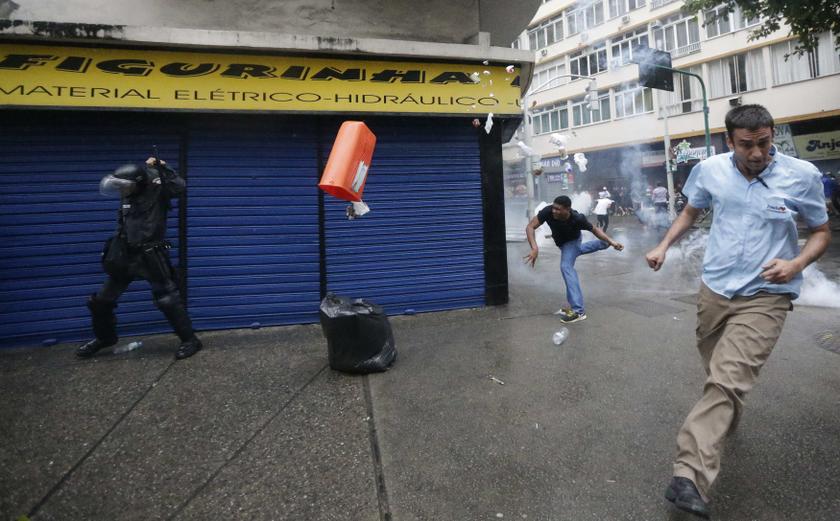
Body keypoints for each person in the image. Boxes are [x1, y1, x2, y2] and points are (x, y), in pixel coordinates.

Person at [645, 104, 830, 519]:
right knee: (719, 375)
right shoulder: (709, 170)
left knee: (727, 379)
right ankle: (724, 419)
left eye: (764, 143)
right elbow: (692, 211)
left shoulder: (801, 175)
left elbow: (820, 231)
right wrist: (663, 245)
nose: (757, 153)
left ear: (772, 136)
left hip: (768, 294)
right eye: (746, 145)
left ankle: (689, 475)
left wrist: (796, 264)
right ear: (729, 141)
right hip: (714, 289)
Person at [76, 157, 203, 360]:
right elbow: (123, 223)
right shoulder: (127, 195)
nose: (121, 190)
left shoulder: (158, 191)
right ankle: (105, 338)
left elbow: (179, 187)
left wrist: (163, 167)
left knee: (168, 300)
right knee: (101, 302)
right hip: (126, 255)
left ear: (139, 182)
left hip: (152, 253)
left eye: (125, 185)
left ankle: (190, 340)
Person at [524, 195, 624, 323]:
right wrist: (534, 248)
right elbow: (530, 227)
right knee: (577, 251)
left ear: (567, 209)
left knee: (566, 267)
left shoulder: (577, 218)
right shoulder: (547, 211)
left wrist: (610, 239)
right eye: (554, 208)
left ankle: (578, 311)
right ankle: (604, 244)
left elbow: (595, 230)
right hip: (562, 244)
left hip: (572, 241)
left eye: (558, 209)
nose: (554, 211)